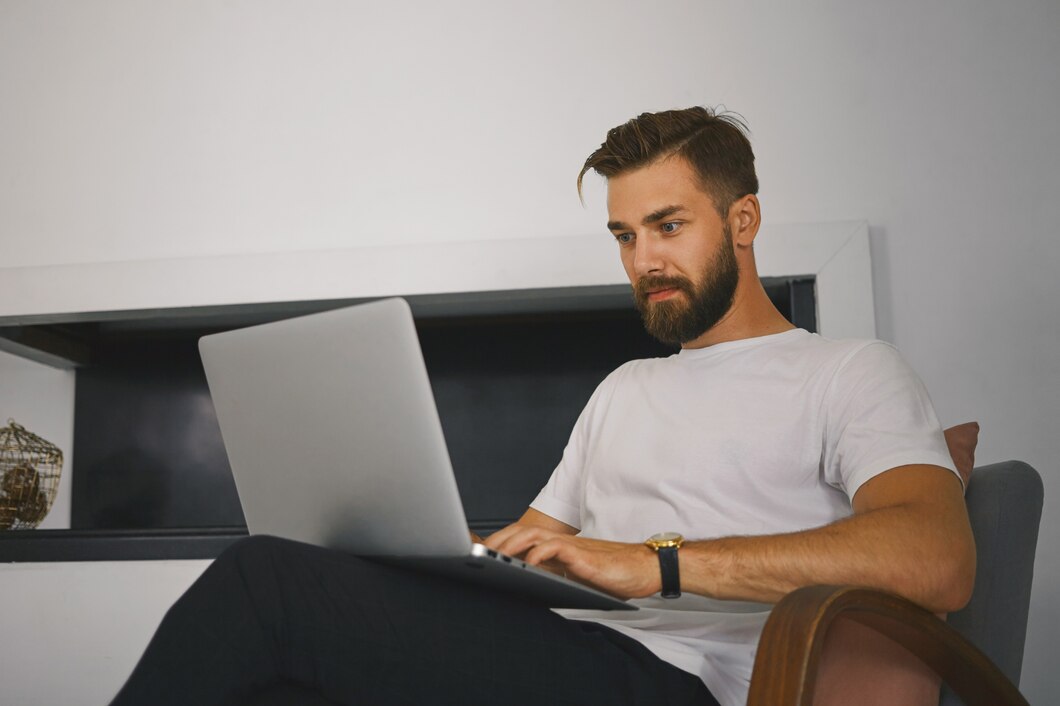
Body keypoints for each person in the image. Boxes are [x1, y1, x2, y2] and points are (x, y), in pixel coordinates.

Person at [110, 107, 975, 706]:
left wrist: (657, 563)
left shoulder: (849, 371)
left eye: (668, 226)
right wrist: (441, 557)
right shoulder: (624, 389)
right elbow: (538, 546)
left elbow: (937, 556)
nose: (644, 260)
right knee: (288, 676)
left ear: (741, 220)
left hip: (690, 686)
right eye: (625, 236)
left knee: (267, 582)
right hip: (576, 656)